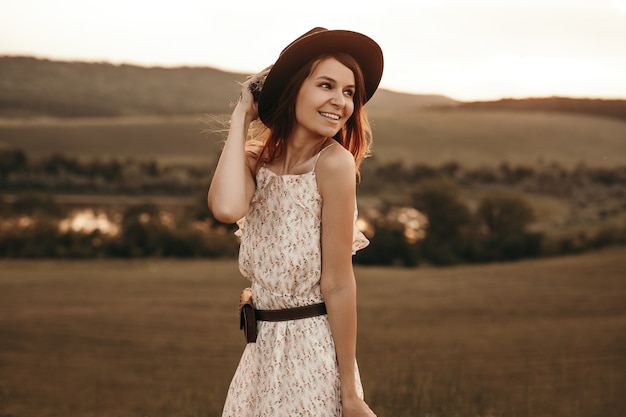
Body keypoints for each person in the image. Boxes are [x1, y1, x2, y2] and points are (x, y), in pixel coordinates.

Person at [208, 27, 384, 417]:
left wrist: (351, 395)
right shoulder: (255, 161)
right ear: (294, 89)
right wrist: (241, 115)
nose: (340, 102)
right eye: (326, 85)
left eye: (349, 92)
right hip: (260, 355)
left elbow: (338, 284)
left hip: (312, 354)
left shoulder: (333, 163)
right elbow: (225, 208)